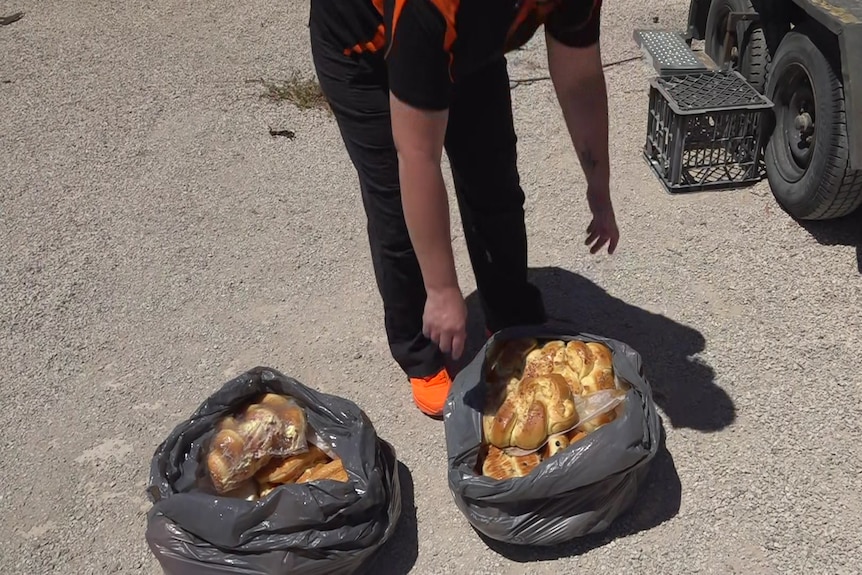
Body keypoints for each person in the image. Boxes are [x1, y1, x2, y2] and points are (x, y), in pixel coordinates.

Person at [308, 0, 619, 418]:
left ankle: (510, 317)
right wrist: (441, 289)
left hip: (464, 37)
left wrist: (598, 184)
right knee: (396, 208)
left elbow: (579, 77)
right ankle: (420, 350)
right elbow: (417, 154)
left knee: (493, 176)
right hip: (362, 49)